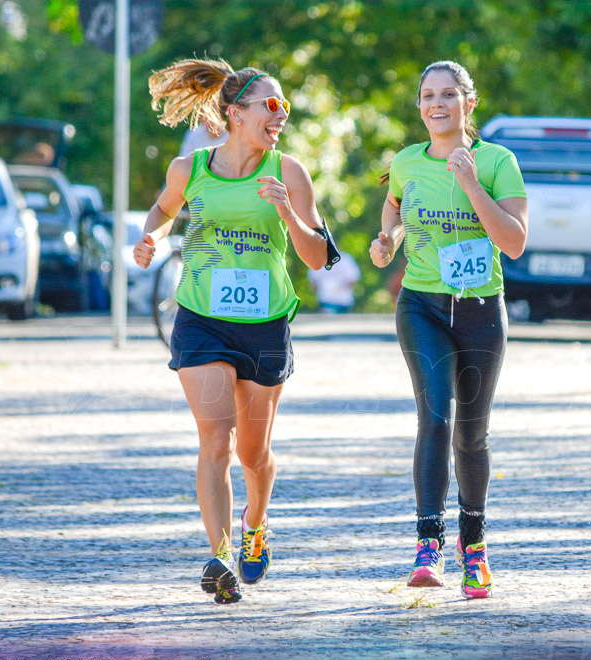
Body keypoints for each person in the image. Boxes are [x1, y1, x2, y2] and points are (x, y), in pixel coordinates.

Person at [134, 58, 329, 603]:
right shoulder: (189, 168)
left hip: (265, 324)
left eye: (284, 106)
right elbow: (161, 210)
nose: (280, 115)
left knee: (253, 453)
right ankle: (218, 556)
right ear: (234, 112)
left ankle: (256, 524)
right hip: (201, 318)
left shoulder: (290, 172)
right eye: (270, 105)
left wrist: (289, 214)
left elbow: (317, 258)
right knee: (214, 440)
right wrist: (151, 237)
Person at [369, 61, 528, 599]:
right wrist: (387, 239)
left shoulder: (498, 162)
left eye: (447, 95)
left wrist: (470, 182)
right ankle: (428, 545)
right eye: (427, 95)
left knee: (471, 433)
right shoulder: (407, 161)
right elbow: (391, 208)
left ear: (468, 103)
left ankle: (475, 547)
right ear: (419, 105)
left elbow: (514, 242)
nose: (436, 104)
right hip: (423, 306)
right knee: (434, 415)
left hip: (482, 309)